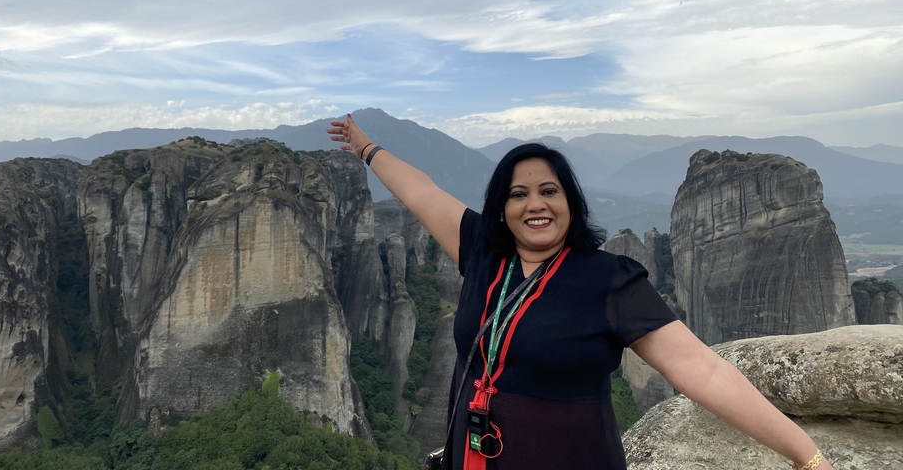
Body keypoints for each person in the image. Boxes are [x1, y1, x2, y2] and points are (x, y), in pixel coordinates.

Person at [327, 113, 833, 470]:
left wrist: (806, 457)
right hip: (473, 457)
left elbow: (703, 370)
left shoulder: (609, 280)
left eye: (549, 191)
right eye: (518, 194)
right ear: (501, 208)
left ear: (571, 201)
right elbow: (421, 192)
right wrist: (366, 146)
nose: (534, 205)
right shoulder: (485, 252)